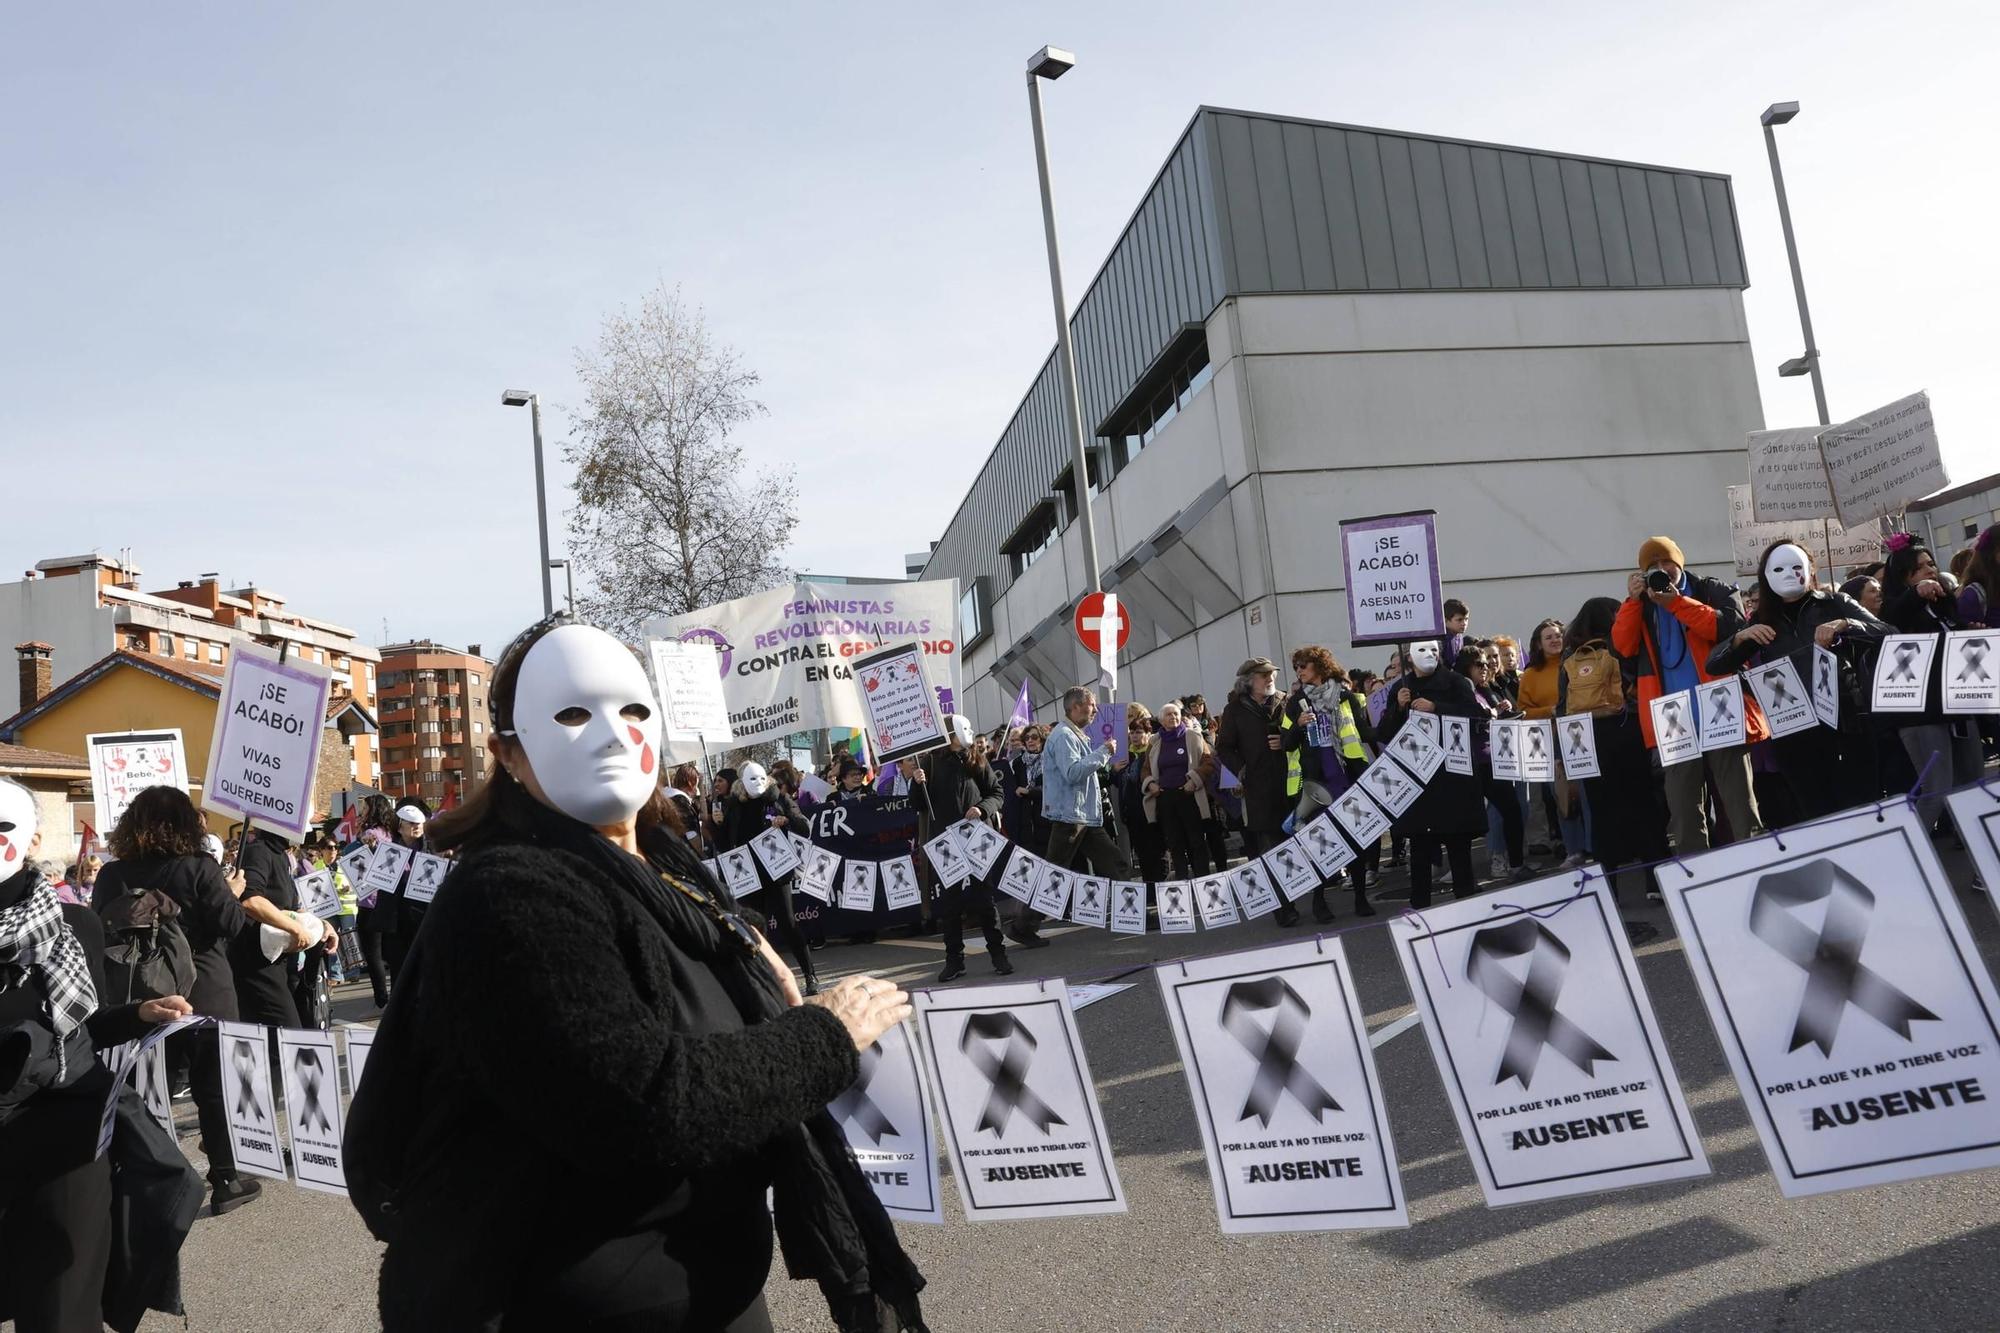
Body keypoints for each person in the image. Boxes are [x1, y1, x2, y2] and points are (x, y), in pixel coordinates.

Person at [342, 618, 926, 1332]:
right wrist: (824, 1035)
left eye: (632, 710)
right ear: (509, 755)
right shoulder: (510, 895)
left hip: (711, 1286)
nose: (612, 734)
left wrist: (753, 974)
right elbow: (646, 1102)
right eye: (572, 714)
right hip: (571, 1304)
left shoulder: (668, 867)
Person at [2, 776, 207, 1333]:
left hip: (66, 1141)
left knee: (63, 1311)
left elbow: (85, 1025)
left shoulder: (75, 927)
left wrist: (138, 1014)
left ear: (36, 841)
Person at [1708, 540, 1890, 821]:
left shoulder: (1836, 604)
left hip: (1846, 724)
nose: (1789, 574)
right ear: (1766, 576)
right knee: (1817, 814)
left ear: (1809, 569)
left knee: (1862, 810)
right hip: (1794, 734)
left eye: (1797, 566)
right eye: (1779, 568)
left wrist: (1846, 624)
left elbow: (1887, 632)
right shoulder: (1762, 621)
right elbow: (1715, 664)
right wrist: (1739, 638)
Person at [1612, 535, 1764, 852]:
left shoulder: (1710, 589)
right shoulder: (1640, 605)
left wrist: (1676, 603)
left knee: (1739, 800)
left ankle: (1754, 859)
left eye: (1666, 561)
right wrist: (1632, 602)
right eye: (1652, 565)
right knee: (1683, 808)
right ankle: (1697, 876)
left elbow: (1726, 628)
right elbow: (1623, 646)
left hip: (1719, 703)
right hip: (1672, 716)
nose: (1661, 570)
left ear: (1679, 562)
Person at [1557, 599, 1669, 904]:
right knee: (1644, 805)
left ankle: (1610, 886)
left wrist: (1564, 752)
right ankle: (1655, 880)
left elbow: (1561, 704)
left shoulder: (1571, 653)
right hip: (1626, 730)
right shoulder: (1620, 646)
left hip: (1587, 739)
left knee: (1601, 813)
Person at [1879, 535, 1985, 827]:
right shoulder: (1890, 610)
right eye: (1921, 566)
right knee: (1936, 790)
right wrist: (1915, 595)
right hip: (1921, 714)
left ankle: (1981, 854)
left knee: (1973, 786)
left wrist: (1970, 630)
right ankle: (1912, 857)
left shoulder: (1942, 604)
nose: (1930, 569)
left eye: (1931, 563)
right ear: (1905, 575)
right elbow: (1893, 625)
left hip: (1958, 705)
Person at [1377, 641, 1485, 907]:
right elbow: (1384, 734)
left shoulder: (1457, 682)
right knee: (1421, 848)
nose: (1430, 655)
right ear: (1410, 656)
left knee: (1459, 847)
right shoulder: (1399, 689)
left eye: (1434, 650)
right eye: (1422, 650)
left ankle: (1467, 905)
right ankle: (1420, 908)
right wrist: (1398, 708)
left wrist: (1437, 707)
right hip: (1418, 781)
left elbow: (1476, 717)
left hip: (1452, 778)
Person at [1033, 687, 1135, 937]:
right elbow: (1073, 773)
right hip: (1071, 817)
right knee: (1054, 875)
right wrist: (1104, 753)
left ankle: (1135, 912)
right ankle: (1022, 925)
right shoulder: (1065, 735)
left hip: (1081, 816)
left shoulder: (1073, 734)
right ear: (1076, 707)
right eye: (1091, 705)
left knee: (1116, 864)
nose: (1096, 710)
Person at [1285, 646, 1375, 920]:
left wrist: (1398, 712)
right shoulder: (1296, 701)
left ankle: (1361, 897)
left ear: (1321, 667)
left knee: (1354, 840)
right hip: (1315, 782)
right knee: (1320, 843)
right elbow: (1286, 744)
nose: (1300, 671)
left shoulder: (1347, 697)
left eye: (1304, 665)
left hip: (1345, 777)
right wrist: (1298, 725)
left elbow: (1366, 732)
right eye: (1297, 667)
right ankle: (1319, 901)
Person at [717, 762, 818, 995]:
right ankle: (767, 983)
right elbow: (724, 845)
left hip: (777, 870)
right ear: (741, 783)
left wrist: (786, 819)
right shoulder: (732, 806)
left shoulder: (778, 799)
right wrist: (716, 824)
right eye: (751, 780)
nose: (758, 784)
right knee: (756, 929)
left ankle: (810, 974)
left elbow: (805, 828)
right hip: (749, 875)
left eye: (761, 778)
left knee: (788, 923)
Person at [1216, 658, 1303, 926]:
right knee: (1270, 848)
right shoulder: (1234, 710)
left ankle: (1313, 898)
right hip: (1259, 789)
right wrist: (1241, 769)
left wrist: (1286, 740)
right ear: (1248, 681)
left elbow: (1301, 731)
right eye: (1263, 675)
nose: (1270, 679)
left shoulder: (1287, 701)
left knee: (1297, 844)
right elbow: (1224, 747)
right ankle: (1283, 907)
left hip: (1291, 784)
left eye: (1272, 674)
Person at [924, 716, 1012, 982]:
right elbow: (918, 804)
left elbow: (997, 793)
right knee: (950, 905)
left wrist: (982, 809)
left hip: (976, 838)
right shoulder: (930, 762)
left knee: (985, 900)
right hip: (946, 843)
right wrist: (917, 783)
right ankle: (954, 961)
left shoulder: (976, 759)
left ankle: (998, 954)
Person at [1459, 645, 1533, 882]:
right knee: (1470, 821)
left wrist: (1502, 710)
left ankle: (1516, 864)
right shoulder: (1462, 689)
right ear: (1466, 668)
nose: (1485, 668)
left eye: (1486, 663)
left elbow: (1492, 715)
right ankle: (1466, 875)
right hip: (1473, 761)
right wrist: (1490, 712)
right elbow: (1470, 717)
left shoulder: (1484, 688)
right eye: (1479, 664)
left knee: (1511, 810)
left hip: (1494, 758)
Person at [1518, 618, 1589, 867]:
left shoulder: (1576, 663)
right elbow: (1523, 711)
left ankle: (1594, 845)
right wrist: (1552, 710)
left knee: (1588, 792)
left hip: (1582, 735)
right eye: (1548, 637)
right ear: (1538, 644)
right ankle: (1574, 850)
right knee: (1562, 796)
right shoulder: (1530, 674)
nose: (1555, 640)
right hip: (1550, 740)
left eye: (1558, 635)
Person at [1143, 701, 1213, 882]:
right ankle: (1182, 883)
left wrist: (1194, 780)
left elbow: (1208, 762)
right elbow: (1146, 769)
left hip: (1189, 795)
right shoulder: (1154, 742)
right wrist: (1151, 784)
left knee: (1196, 841)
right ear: (1161, 720)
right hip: (1166, 798)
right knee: (1174, 843)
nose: (1173, 717)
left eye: (1176, 714)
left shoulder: (1193, 736)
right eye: (1169, 715)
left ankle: (1203, 881)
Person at [1443, 599, 1471, 665]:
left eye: (1466, 619)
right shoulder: (1441, 640)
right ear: (1446, 621)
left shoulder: (1458, 635)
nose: (1464, 623)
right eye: (1459, 620)